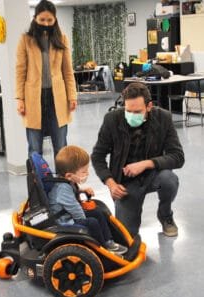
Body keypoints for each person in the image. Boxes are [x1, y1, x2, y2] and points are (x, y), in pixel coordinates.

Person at [91, 82, 185, 237]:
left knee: (169, 179)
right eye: (128, 111)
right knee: (126, 237)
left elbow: (178, 157)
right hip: (125, 182)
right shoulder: (112, 120)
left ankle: (165, 214)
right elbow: (98, 156)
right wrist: (111, 183)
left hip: (153, 175)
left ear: (149, 106)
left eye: (137, 111)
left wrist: (146, 164)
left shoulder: (164, 118)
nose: (131, 115)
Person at [15, 0, 77, 157]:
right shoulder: (25, 40)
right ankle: (37, 181)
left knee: (61, 146)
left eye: (50, 20)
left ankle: (62, 182)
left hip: (58, 97)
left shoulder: (62, 39)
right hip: (33, 98)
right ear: (35, 18)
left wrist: (72, 96)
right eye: (42, 19)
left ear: (55, 19)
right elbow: (20, 71)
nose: (46, 23)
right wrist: (20, 99)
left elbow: (68, 71)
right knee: (35, 148)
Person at [48, 145, 128, 254]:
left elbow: (72, 191)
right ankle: (101, 250)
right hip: (64, 221)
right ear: (69, 176)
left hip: (69, 214)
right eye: (84, 172)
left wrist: (82, 190)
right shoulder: (63, 189)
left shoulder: (67, 182)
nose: (87, 174)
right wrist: (84, 218)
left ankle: (109, 242)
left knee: (98, 212)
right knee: (92, 222)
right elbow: (75, 208)